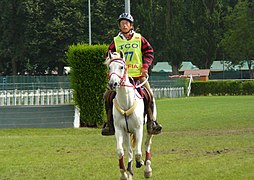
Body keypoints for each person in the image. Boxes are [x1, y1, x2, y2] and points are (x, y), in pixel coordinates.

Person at [102, 13, 162, 136]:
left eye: (126, 23)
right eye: (122, 23)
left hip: (138, 75)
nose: (124, 25)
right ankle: (109, 124)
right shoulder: (116, 41)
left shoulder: (139, 38)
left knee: (149, 96)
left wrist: (145, 66)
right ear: (119, 26)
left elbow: (149, 52)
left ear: (131, 25)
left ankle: (152, 122)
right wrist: (112, 69)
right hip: (121, 78)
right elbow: (108, 57)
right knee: (107, 97)